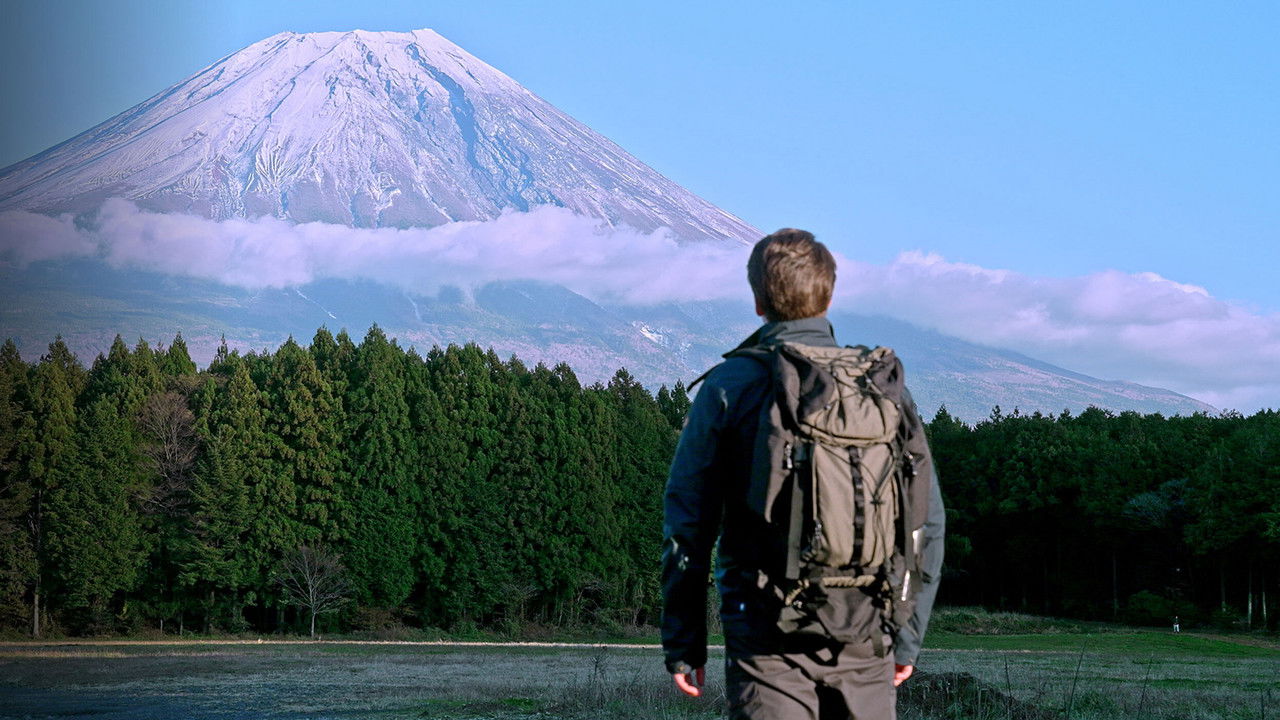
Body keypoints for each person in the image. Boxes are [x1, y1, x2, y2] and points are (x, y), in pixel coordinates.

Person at [661, 228, 946, 720]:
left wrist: (685, 643)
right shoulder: (878, 387)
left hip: (765, 630)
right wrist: (908, 634)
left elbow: (689, 522)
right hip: (868, 628)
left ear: (757, 301)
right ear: (829, 296)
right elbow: (926, 522)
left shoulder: (733, 383)